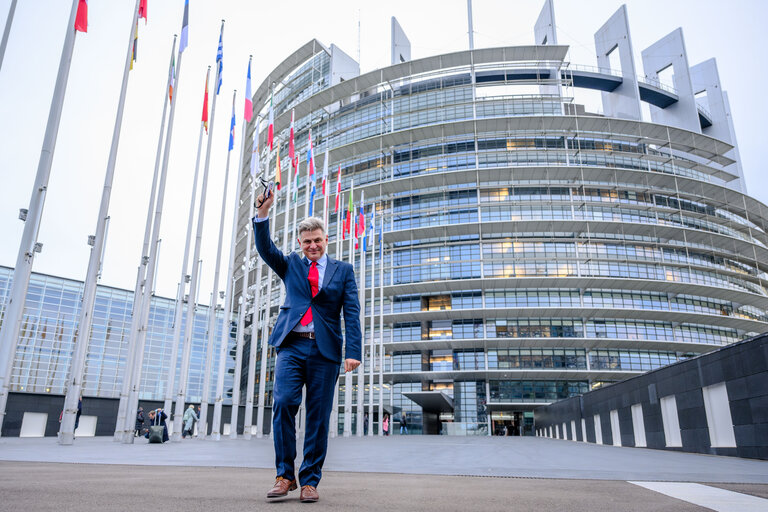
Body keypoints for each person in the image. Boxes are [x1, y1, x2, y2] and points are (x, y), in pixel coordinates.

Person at [253, 188, 361, 503]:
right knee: (284, 402)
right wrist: (263, 214)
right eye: (306, 241)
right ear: (300, 243)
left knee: (317, 415)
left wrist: (353, 351)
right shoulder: (290, 265)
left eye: (317, 240)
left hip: (325, 351)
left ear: (326, 240)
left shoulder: (343, 271)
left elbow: (351, 312)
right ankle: (284, 475)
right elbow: (265, 248)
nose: (312, 245)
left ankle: (310, 480)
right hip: (292, 345)